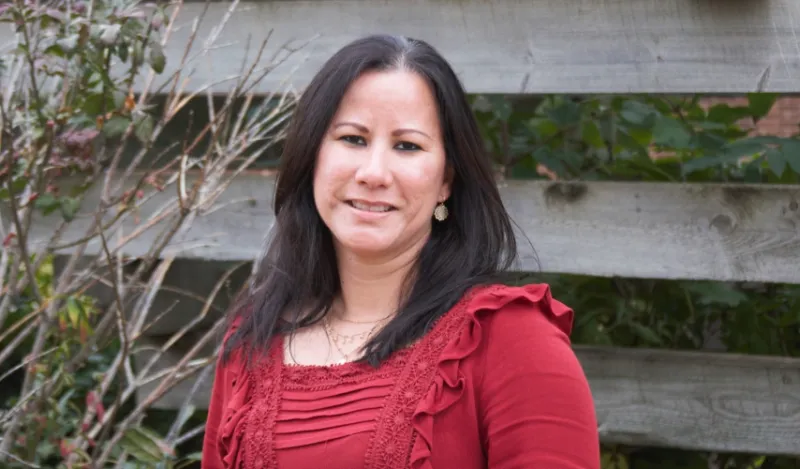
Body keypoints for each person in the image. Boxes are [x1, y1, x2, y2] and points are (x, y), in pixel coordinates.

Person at [201, 34, 599, 469]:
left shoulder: (511, 340)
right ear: (312, 157)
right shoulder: (253, 337)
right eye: (353, 139)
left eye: (407, 146)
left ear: (446, 180)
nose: (373, 173)